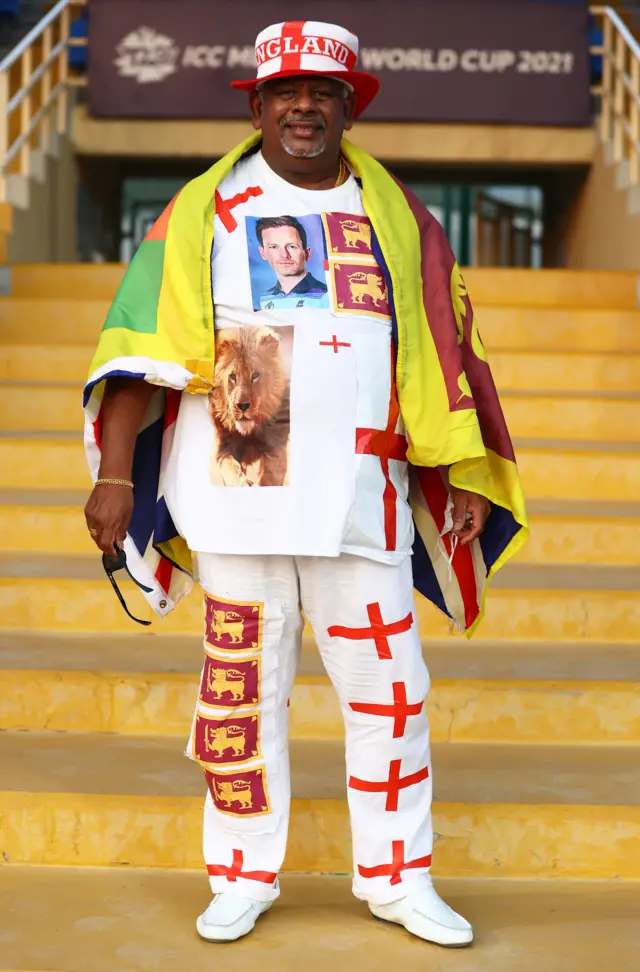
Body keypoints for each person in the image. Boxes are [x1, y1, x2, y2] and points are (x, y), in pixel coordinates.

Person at [84, 20, 527, 950]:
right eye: (286, 91)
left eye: (324, 92)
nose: (304, 106)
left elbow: (445, 358)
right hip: (236, 502)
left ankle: (399, 880)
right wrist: (117, 475)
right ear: (257, 105)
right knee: (241, 697)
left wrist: (459, 471)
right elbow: (135, 351)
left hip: (366, 500)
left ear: (349, 107)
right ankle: (241, 875)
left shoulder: (398, 217)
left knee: (394, 694)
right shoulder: (202, 213)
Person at [256, 215, 329, 308]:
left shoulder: (326, 296)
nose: (284, 255)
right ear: (263, 253)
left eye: (292, 246)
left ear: (307, 253)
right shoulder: (264, 299)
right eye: (274, 247)